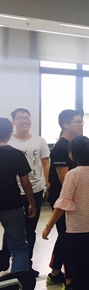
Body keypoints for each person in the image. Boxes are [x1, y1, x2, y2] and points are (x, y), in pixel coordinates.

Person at [42, 135, 89, 290]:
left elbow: (62, 203)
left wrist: (48, 225)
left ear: (71, 155)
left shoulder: (73, 174)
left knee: (81, 274)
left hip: (77, 230)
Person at [6, 108, 49, 277]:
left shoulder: (39, 141)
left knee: (30, 229)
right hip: (14, 191)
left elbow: (45, 162)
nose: (25, 121)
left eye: (27, 117)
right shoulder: (8, 141)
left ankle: (27, 265)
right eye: (20, 118)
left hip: (35, 188)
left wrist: (47, 182)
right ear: (13, 122)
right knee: (13, 228)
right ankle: (6, 259)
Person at [46, 109, 83, 290]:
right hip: (63, 199)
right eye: (77, 122)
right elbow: (65, 180)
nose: (81, 125)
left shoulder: (71, 145)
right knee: (68, 239)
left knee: (64, 236)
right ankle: (70, 281)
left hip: (68, 198)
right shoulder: (61, 147)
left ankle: (55, 274)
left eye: (81, 121)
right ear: (65, 125)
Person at [0, 117, 36, 273]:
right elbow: (26, 183)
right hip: (12, 204)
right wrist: (32, 203)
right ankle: (19, 284)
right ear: (10, 133)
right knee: (19, 247)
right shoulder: (16, 154)